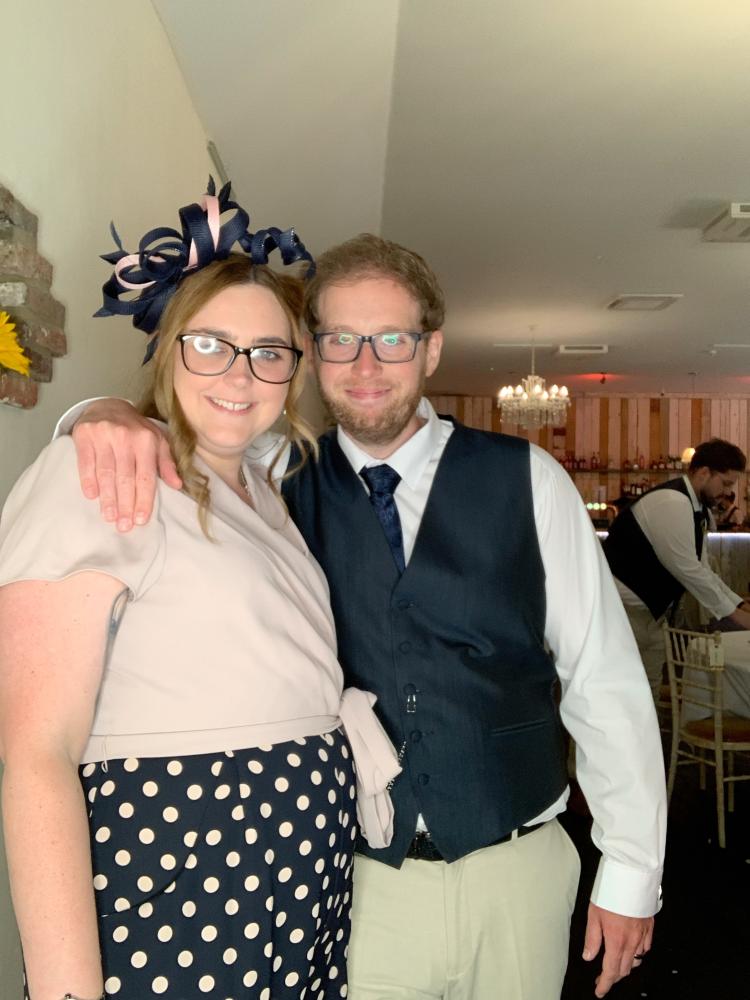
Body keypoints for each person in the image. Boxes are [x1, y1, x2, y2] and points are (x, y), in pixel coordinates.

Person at [58, 233, 665, 1000]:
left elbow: (603, 679)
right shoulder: (266, 479)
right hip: (352, 877)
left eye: (391, 340)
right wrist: (98, 411)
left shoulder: (529, 480)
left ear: (431, 349)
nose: (365, 365)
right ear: (313, 354)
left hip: (519, 866)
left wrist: (632, 868)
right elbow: (169, 442)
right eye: (341, 339)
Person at [0, 189, 399, 1000]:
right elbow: (35, 755)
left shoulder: (264, 485)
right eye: (211, 344)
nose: (240, 375)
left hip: (302, 889)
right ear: (167, 348)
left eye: (268, 352)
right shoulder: (96, 471)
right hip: (188, 881)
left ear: (293, 371)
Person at [603, 439, 750, 696]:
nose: (727, 492)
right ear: (704, 472)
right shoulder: (671, 502)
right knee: (617, 691)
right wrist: (735, 616)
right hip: (620, 612)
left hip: (651, 615)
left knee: (647, 690)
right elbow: (688, 570)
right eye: (725, 483)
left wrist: (738, 604)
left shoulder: (697, 509)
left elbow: (703, 569)